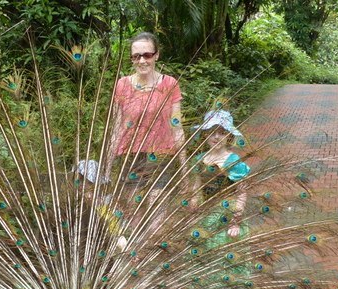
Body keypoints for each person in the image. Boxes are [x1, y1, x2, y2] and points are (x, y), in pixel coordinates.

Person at [107, 32, 186, 187]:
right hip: (130, 158)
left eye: (147, 55)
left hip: (160, 155)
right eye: (136, 56)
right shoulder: (122, 85)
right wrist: (107, 170)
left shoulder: (170, 84)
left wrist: (184, 170)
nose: (142, 61)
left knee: (157, 208)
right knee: (131, 209)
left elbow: (177, 127)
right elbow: (116, 128)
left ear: (156, 55)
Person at [192, 109, 250, 258]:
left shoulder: (233, 161)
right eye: (212, 132)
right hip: (205, 214)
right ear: (205, 134)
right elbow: (196, 187)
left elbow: (241, 192)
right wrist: (194, 206)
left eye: (222, 132)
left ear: (229, 136)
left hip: (226, 215)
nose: (216, 136)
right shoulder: (199, 159)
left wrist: (235, 221)